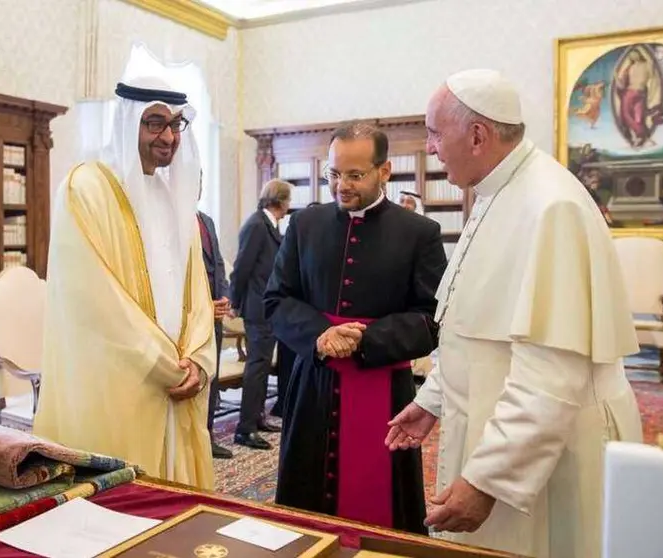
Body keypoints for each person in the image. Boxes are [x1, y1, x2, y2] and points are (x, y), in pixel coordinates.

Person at [385, 69, 643, 557]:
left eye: (437, 133)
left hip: (551, 449)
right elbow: (471, 327)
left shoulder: (549, 207)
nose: (431, 147)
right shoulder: (496, 193)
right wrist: (432, 400)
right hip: (503, 423)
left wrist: (488, 480)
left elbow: (552, 371)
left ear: (477, 135)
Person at [33, 76, 215, 489]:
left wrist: (199, 360)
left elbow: (198, 295)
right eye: (154, 122)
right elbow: (93, 300)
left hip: (178, 378)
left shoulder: (175, 198)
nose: (168, 136)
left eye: (175, 125)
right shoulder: (86, 188)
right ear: (127, 122)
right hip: (119, 380)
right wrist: (162, 364)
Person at [265, 122, 446, 533]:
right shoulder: (304, 227)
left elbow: (433, 319)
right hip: (314, 386)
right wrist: (320, 335)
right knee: (304, 514)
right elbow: (276, 301)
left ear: (384, 171)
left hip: (383, 392)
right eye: (333, 173)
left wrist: (369, 340)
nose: (340, 186)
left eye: (354, 175)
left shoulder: (419, 233)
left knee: (382, 521)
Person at [229, 179, 291, 450]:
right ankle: (245, 428)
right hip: (256, 308)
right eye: (288, 200)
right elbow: (241, 267)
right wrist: (234, 300)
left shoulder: (271, 225)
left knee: (264, 365)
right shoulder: (256, 225)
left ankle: (258, 418)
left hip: (269, 308)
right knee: (257, 366)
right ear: (280, 200)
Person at [197, 185, 234, 459]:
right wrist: (202, 306)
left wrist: (225, 296)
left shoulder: (206, 220)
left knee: (212, 377)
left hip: (216, 314)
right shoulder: (171, 218)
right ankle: (196, 441)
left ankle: (207, 437)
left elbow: (219, 264)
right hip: (194, 316)